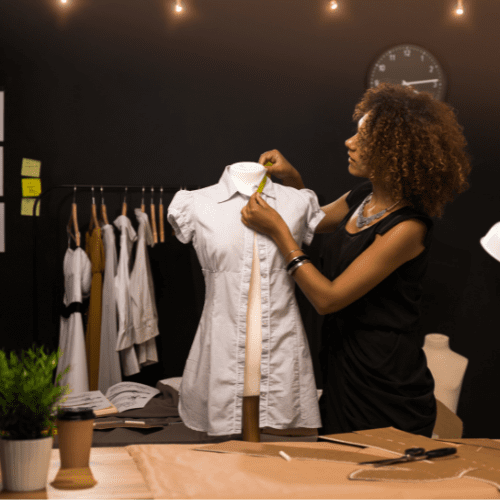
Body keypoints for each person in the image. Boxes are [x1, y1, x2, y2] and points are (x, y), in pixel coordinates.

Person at [241, 83, 471, 437]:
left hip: (383, 381)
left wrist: (278, 233)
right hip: (342, 364)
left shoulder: (408, 227)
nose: (349, 143)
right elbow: (312, 222)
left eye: (363, 138)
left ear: (394, 151)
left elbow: (328, 298)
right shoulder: (364, 196)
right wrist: (292, 180)